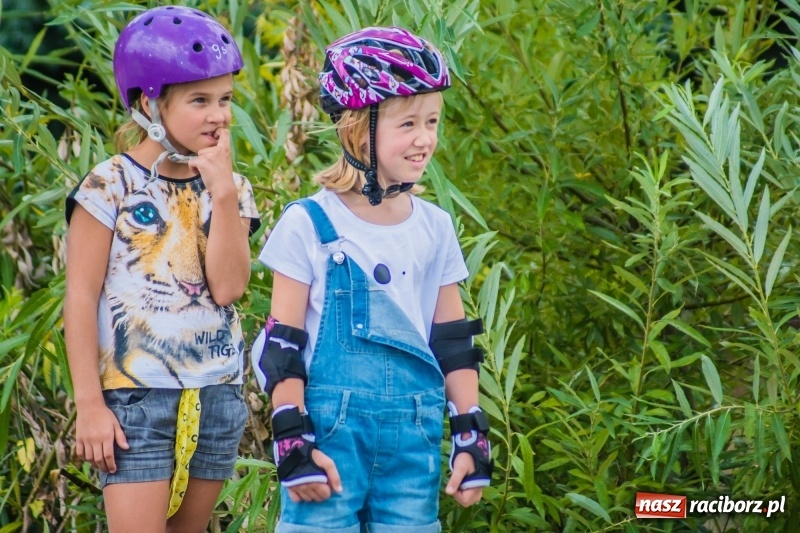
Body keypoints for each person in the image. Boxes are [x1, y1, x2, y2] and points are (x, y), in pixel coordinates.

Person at [251, 26, 492, 532]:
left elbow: (452, 342)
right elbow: (282, 345)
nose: (425, 137)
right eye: (408, 123)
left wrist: (471, 433)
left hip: (414, 437)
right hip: (328, 438)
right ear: (359, 129)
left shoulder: (434, 226)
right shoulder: (309, 223)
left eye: (432, 121)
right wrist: (291, 441)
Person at [63, 6, 260, 532]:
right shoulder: (110, 185)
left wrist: (221, 189)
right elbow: (80, 296)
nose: (219, 115)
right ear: (149, 103)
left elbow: (229, 287)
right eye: (200, 101)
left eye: (225, 100)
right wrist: (89, 404)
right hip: (135, 400)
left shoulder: (232, 188)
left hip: (216, 391)